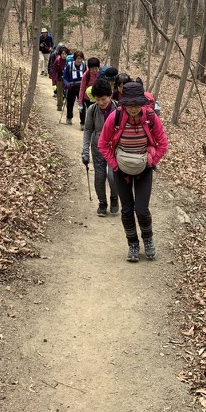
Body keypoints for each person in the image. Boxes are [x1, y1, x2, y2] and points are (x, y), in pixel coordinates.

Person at [97, 82, 169, 263]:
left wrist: (153, 161)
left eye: (137, 105)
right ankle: (133, 245)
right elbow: (102, 144)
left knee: (141, 209)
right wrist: (114, 165)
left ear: (143, 104)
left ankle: (148, 239)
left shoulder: (151, 117)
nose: (134, 109)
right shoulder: (115, 117)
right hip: (121, 170)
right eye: (130, 105)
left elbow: (163, 143)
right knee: (127, 209)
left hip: (144, 169)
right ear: (124, 103)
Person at [81, 79, 119, 217]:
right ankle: (102, 202)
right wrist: (85, 151)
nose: (101, 103)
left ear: (110, 96)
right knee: (100, 176)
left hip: (114, 148)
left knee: (113, 176)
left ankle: (114, 197)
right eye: (97, 99)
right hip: (97, 148)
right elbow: (87, 130)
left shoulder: (118, 109)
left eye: (103, 99)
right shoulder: (92, 110)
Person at [63, 50, 86, 126]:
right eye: (78, 58)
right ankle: (69, 117)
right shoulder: (69, 66)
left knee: (81, 105)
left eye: (81, 58)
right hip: (71, 87)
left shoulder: (84, 65)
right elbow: (65, 77)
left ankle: (83, 122)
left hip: (81, 88)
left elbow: (86, 76)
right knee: (70, 104)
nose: (79, 60)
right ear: (75, 59)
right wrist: (67, 84)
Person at [78, 56, 101, 125]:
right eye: (92, 68)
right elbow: (82, 88)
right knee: (91, 112)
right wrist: (80, 102)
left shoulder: (100, 74)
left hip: (98, 97)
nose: (94, 70)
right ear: (89, 68)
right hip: (88, 98)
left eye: (96, 68)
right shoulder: (86, 75)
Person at [51, 45, 69, 111]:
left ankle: (68, 107)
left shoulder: (69, 61)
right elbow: (54, 71)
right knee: (59, 93)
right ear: (60, 54)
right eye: (63, 54)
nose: (64, 55)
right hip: (59, 79)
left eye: (65, 54)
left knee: (67, 93)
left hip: (67, 79)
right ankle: (59, 106)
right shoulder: (57, 61)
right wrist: (53, 81)